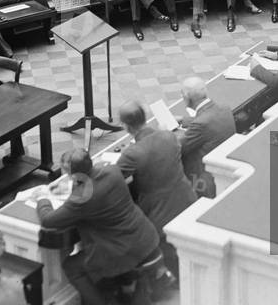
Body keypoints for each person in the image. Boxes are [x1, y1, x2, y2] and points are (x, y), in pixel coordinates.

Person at [35, 149, 163, 305]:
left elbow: (48, 220)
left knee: (71, 266)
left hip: (120, 250)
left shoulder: (81, 198)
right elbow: (93, 184)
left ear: (73, 174)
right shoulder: (112, 171)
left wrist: (42, 198)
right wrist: (72, 187)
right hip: (144, 236)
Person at [116, 101, 197, 237]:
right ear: (145, 118)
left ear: (125, 126)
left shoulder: (132, 153)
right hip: (188, 202)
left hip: (161, 217)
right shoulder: (169, 136)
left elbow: (114, 176)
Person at [177, 77, 235, 198]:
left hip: (202, 180)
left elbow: (177, 147)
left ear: (187, 98)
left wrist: (163, 133)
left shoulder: (200, 124)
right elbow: (210, 118)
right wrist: (184, 120)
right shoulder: (225, 109)